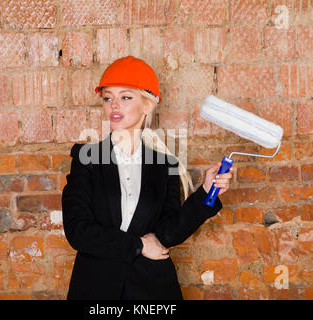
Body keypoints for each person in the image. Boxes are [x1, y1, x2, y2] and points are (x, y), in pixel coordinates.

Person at [62, 56, 233, 300]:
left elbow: (169, 233)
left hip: (152, 289)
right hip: (95, 287)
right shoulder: (86, 158)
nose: (114, 105)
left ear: (147, 105)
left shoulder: (165, 166)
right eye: (108, 98)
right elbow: (78, 231)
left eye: (126, 97)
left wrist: (207, 191)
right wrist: (139, 246)